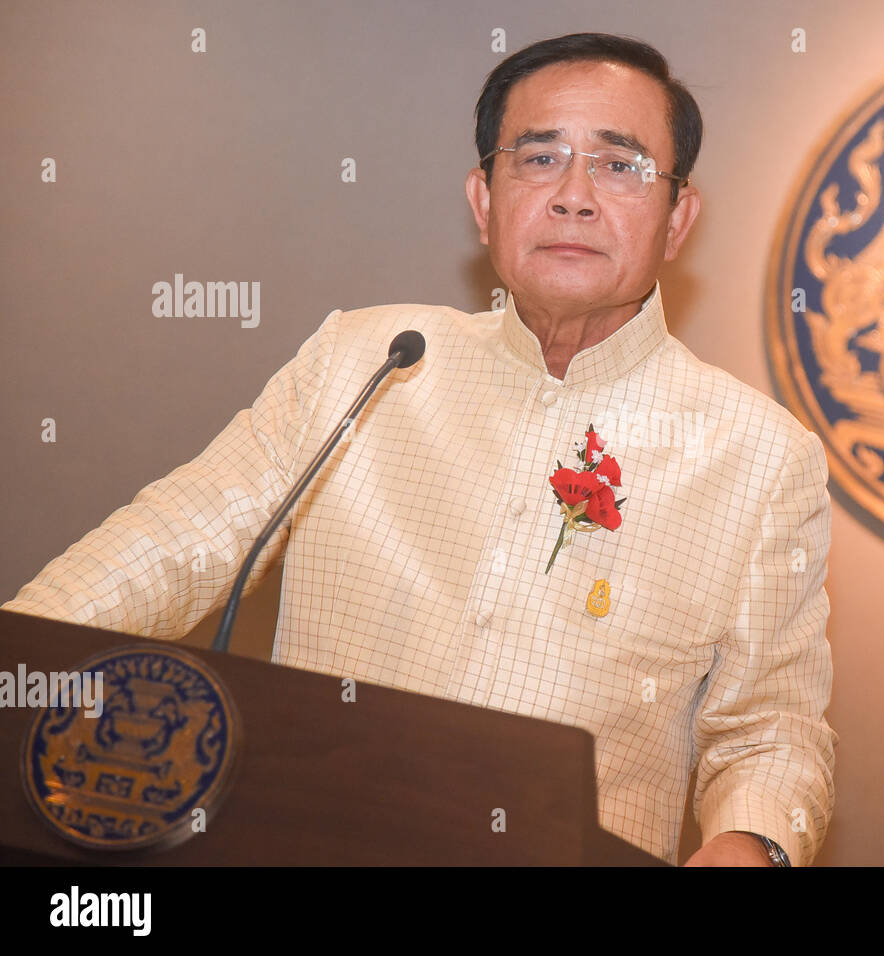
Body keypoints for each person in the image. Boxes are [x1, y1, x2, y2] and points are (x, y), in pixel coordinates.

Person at [2, 32, 836, 866]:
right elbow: (174, 542)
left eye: (621, 166)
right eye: (539, 159)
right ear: (483, 201)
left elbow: (769, 732)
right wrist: (16, 665)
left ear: (677, 217)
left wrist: (750, 844)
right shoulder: (363, 361)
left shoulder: (762, 457)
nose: (575, 196)